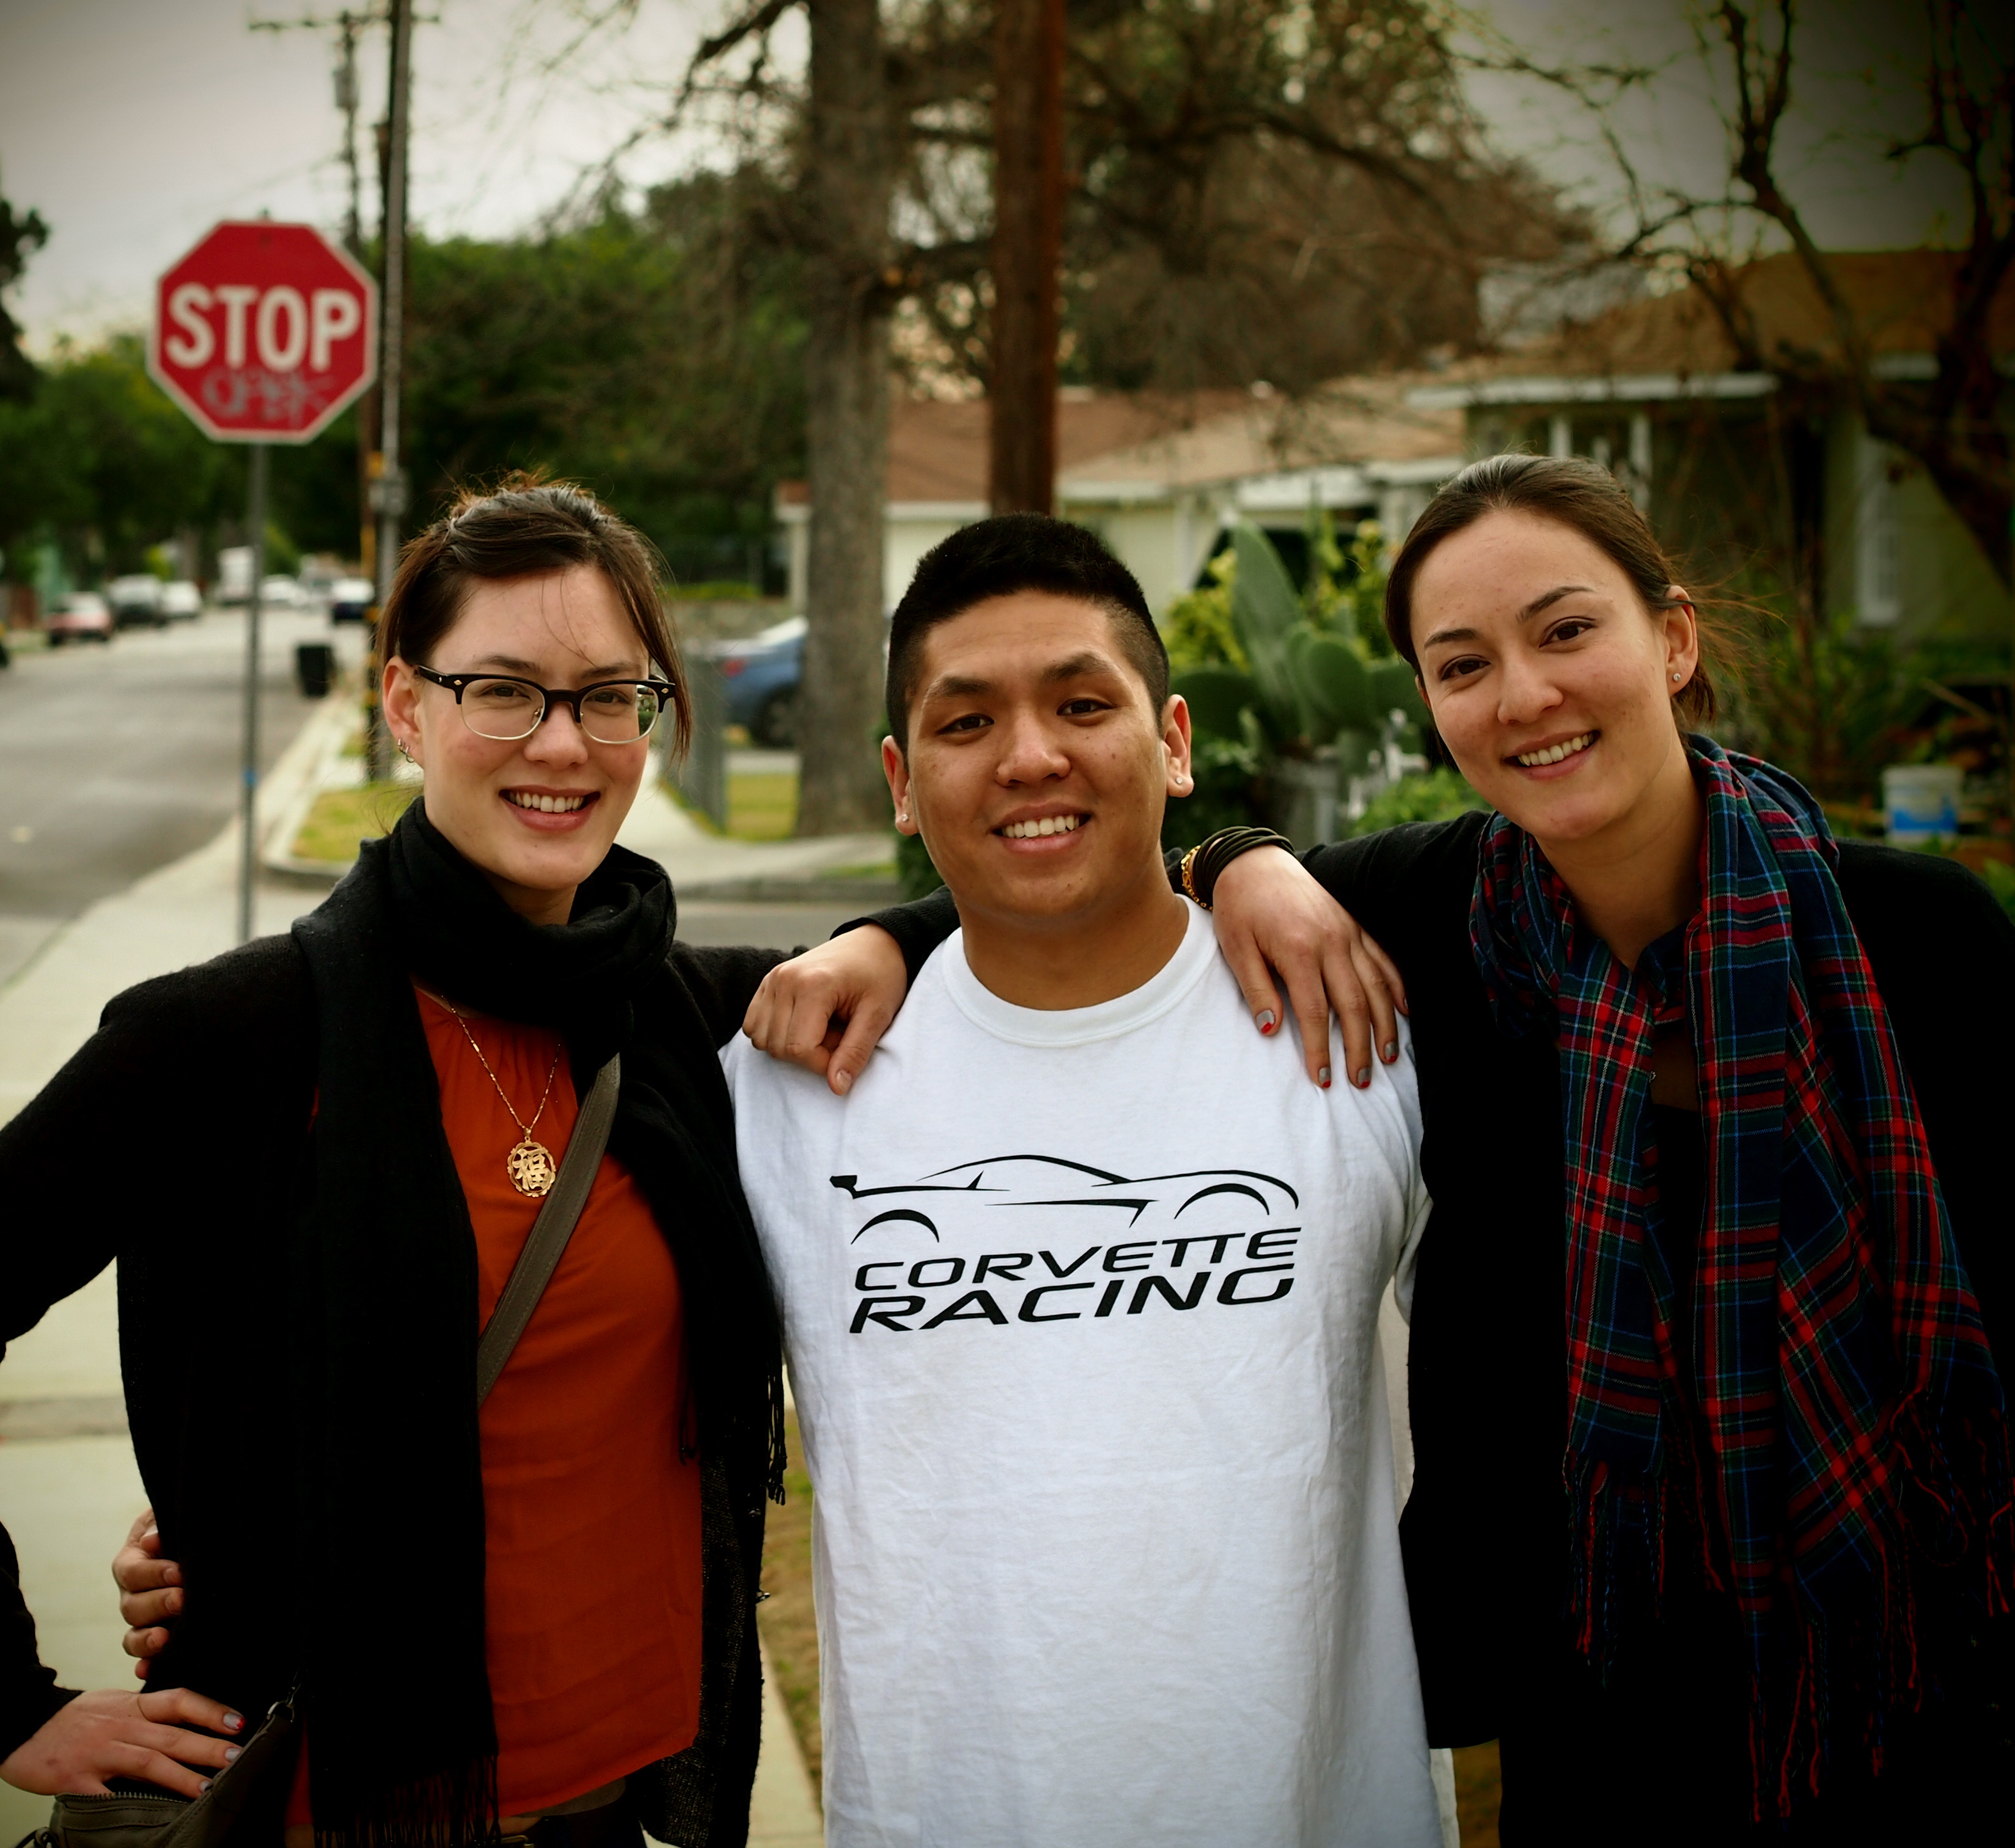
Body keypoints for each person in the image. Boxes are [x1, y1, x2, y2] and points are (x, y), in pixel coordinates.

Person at [136, 515, 1441, 1846]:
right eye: (967, 721)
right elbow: (550, 1347)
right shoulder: (782, 1078)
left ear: (1173, 741)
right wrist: (235, 1503)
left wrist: (1241, 855)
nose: (1030, 755)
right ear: (899, 781)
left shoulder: (1363, 1025)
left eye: (1081, 704)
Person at [0, 479, 923, 1848]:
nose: (562, 742)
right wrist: (8, 1700)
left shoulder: (679, 1015)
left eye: (607, 697)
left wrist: (891, 935)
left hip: (612, 1802)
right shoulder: (231, 1037)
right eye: (503, 691)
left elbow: (1021, 925)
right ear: (406, 706)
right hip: (328, 1811)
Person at [1194, 452, 2013, 1841]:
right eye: (1463, 665)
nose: (1523, 695)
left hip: (1909, 1673)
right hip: (1596, 1705)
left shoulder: (1920, 937)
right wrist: (1240, 859)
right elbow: (1082, 913)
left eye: (1566, 630)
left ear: (1674, 641)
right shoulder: (1436, 916)